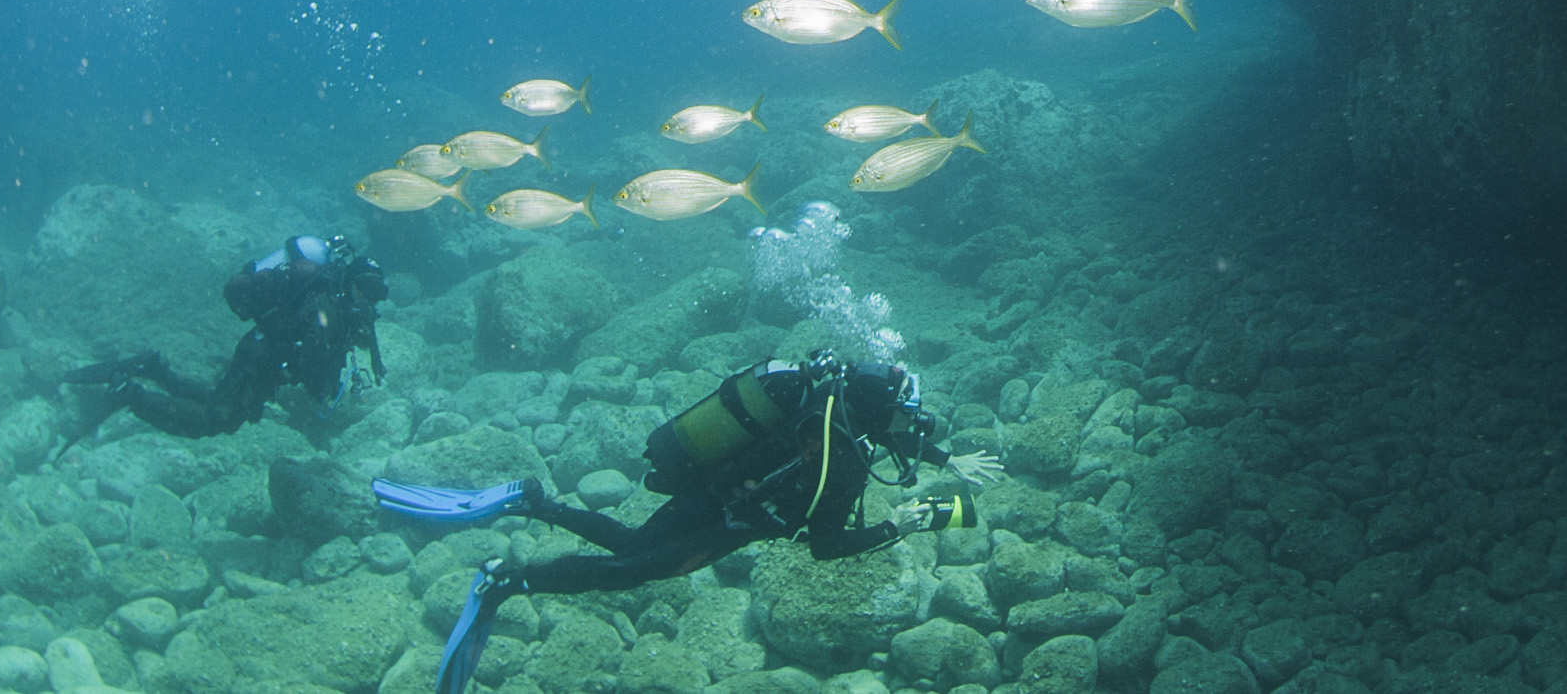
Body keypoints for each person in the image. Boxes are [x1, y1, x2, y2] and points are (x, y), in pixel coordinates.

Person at [375, 351, 1003, 694]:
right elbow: (825, 547)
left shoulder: (820, 402)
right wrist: (903, 526)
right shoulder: (843, 464)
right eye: (905, 417)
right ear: (874, 415)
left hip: (712, 487)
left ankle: (535, 500)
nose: (911, 431)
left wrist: (947, 458)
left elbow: (885, 427)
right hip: (732, 524)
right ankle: (507, 583)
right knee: (628, 573)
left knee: (633, 544)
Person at [66, 233, 387, 440]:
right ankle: (128, 394)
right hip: (260, 358)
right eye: (365, 287)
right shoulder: (326, 303)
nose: (369, 298)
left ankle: (154, 368)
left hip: (263, 354)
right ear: (350, 281)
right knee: (213, 419)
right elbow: (312, 358)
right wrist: (320, 388)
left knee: (215, 402)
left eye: (376, 292)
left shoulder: (339, 306)